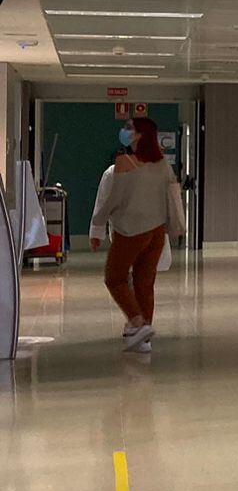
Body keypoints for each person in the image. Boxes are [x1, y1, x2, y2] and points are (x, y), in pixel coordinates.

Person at [89, 116, 185, 353]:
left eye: (129, 128)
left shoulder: (124, 163)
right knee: (144, 282)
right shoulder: (161, 164)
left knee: (115, 277)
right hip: (156, 232)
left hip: (131, 230)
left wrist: (97, 227)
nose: (124, 131)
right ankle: (143, 337)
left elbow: (112, 200)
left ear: (140, 135)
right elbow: (171, 195)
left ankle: (138, 322)